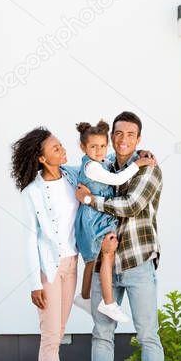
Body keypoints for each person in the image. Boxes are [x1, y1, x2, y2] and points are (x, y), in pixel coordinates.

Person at [73, 111, 165, 361]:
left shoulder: (148, 169)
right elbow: (81, 174)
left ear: (138, 139)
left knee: (147, 335)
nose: (123, 139)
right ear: (112, 136)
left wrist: (91, 202)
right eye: (118, 134)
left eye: (130, 134)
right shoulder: (103, 165)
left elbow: (130, 206)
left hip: (137, 262)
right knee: (101, 333)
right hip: (105, 264)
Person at [11, 126, 80, 361]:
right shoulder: (32, 192)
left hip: (73, 264)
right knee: (51, 338)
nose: (62, 150)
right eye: (55, 149)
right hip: (49, 269)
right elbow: (30, 238)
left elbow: (100, 165)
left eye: (61, 145)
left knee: (55, 336)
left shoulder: (73, 176)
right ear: (41, 158)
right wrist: (34, 283)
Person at [72, 120, 155, 323]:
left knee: (92, 262)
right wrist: (137, 164)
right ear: (83, 147)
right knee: (106, 256)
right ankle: (107, 303)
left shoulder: (100, 163)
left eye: (102, 146)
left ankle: (84, 297)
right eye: (94, 146)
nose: (99, 150)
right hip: (97, 221)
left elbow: (112, 163)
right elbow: (117, 180)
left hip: (94, 220)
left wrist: (139, 153)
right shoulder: (95, 168)